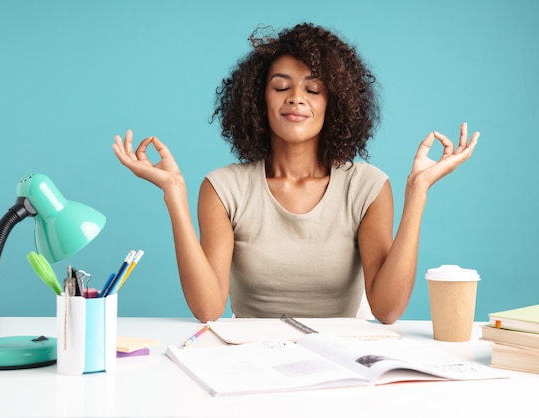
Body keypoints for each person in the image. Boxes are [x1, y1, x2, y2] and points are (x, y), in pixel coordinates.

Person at [112, 22, 479, 324]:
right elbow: (208, 309)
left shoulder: (367, 186)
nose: (296, 98)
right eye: (281, 87)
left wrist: (417, 193)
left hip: (343, 364)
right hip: (251, 360)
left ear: (333, 103)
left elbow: (387, 310)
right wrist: (174, 193)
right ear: (259, 101)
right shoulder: (224, 188)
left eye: (313, 89)